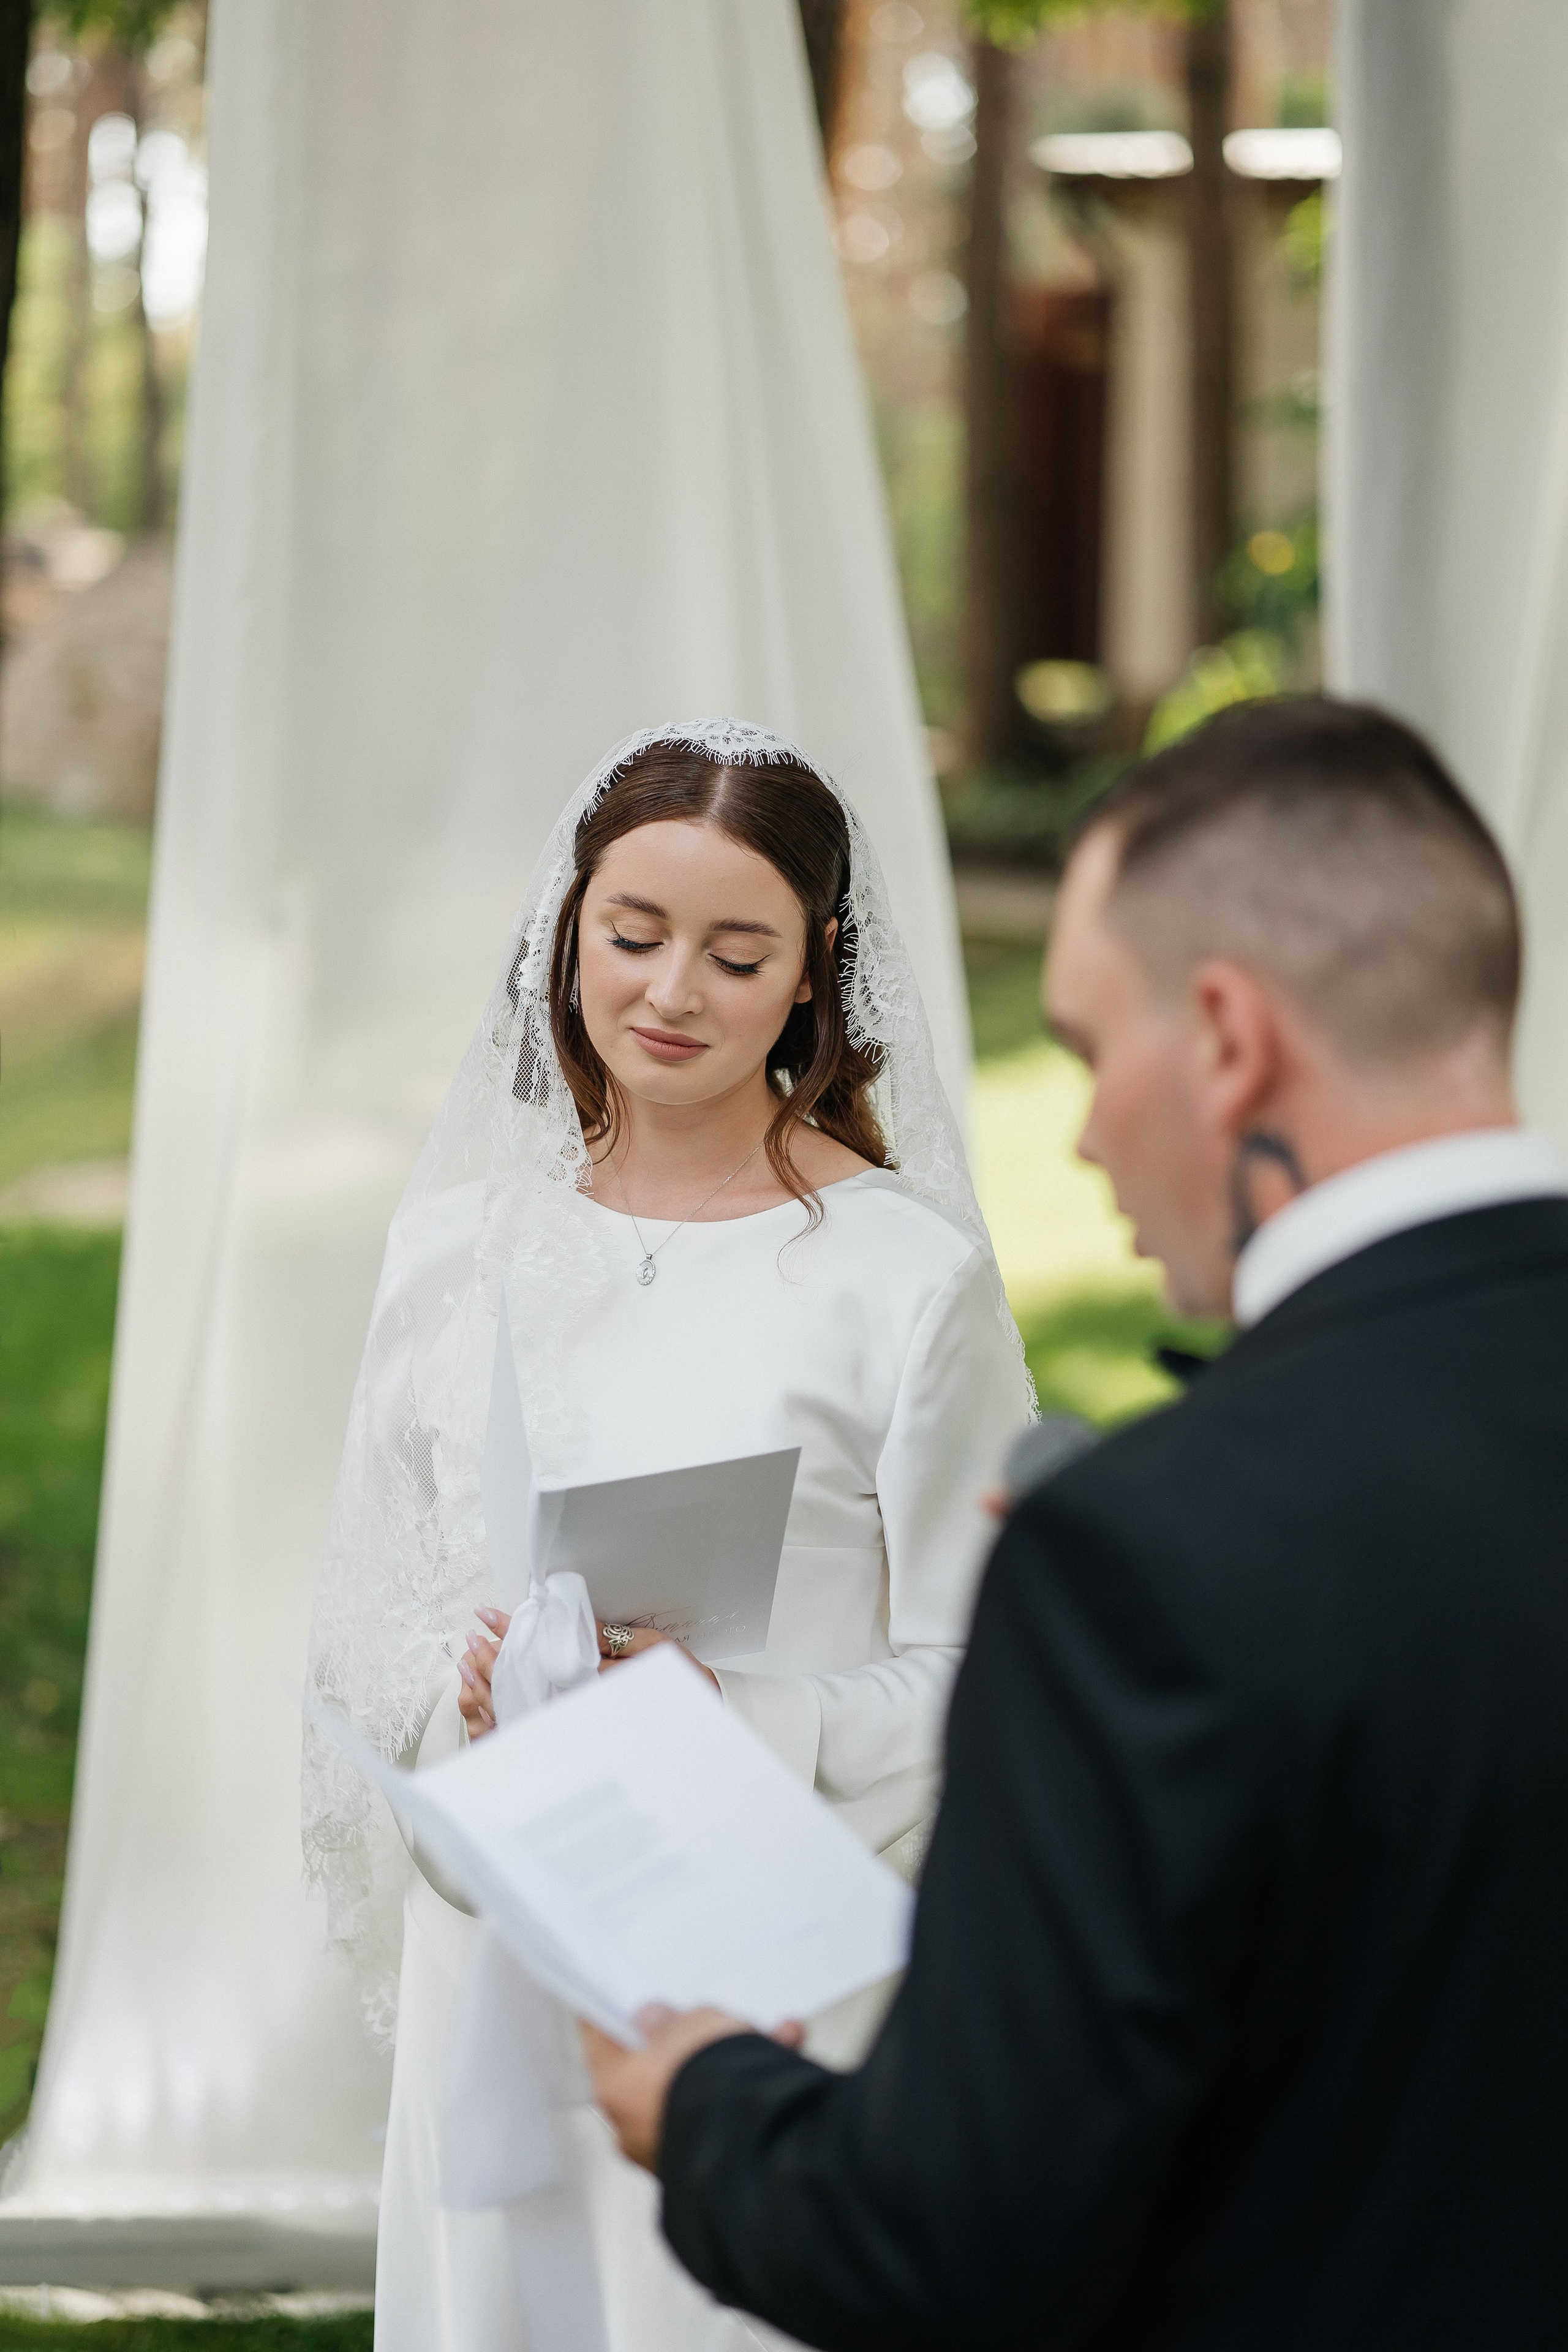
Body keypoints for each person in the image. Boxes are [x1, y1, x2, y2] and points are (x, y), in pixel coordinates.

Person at [587, 698, 1568, 2350]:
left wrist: (711, 2110)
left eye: (1099, 1050)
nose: (1092, 1132)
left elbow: (953, 2234)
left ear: (1231, 1039)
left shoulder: (1149, 1558)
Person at [302, 718, 1033, 2352]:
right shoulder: (454, 1251)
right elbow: (373, 1605)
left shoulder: (902, 1280)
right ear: (570, 932)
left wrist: (746, 1718)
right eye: (632, 936)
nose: (671, 992)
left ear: (816, 971)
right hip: (501, 1930)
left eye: (736, 950)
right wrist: (477, 1687)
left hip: (773, 1962)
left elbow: (987, 1669)